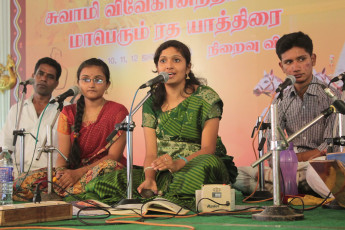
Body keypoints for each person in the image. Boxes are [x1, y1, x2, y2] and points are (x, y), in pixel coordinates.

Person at [74, 40, 238, 208]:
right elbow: (151, 155)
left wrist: (177, 163)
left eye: (176, 60)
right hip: (162, 171)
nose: (169, 66)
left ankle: (165, 199)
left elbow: (208, 149)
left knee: (205, 165)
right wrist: (150, 178)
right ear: (157, 68)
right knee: (110, 181)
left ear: (188, 68)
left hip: (194, 165)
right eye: (163, 61)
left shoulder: (206, 97)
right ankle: (159, 195)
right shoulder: (151, 102)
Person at [233, 31, 339, 198]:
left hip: (317, 165)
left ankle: (284, 187)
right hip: (289, 167)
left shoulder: (332, 97)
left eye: (301, 59)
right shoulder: (279, 100)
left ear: (313, 59)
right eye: (289, 62)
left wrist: (294, 159)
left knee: (315, 170)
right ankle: (297, 188)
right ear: (282, 66)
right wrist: (281, 163)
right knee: (238, 174)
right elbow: (273, 147)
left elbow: (328, 149)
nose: (295, 68)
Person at [13, 58, 128, 200]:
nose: (91, 84)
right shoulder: (67, 112)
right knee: (22, 180)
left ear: (107, 84)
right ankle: (66, 191)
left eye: (98, 80)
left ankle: (54, 193)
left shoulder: (118, 111)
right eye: (86, 79)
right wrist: (61, 173)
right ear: (78, 83)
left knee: (111, 167)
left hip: (101, 171)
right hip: (72, 171)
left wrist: (78, 174)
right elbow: (63, 155)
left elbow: (113, 157)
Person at [0, 57, 61, 178]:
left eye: (50, 77)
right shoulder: (17, 109)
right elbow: (5, 148)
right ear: (33, 76)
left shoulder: (64, 110)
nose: (43, 79)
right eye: (40, 74)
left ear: (56, 83)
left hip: (49, 178)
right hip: (16, 177)